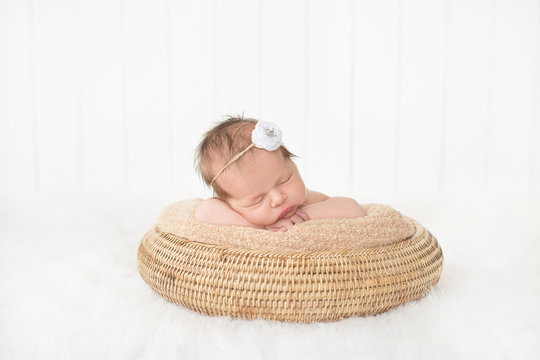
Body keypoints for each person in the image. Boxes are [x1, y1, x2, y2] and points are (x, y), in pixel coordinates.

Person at [194, 116, 367, 232]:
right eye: (258, 199)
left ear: (292, 163)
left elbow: (354, 209)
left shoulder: (307, 202)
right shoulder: (231, 212)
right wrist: (258, 227)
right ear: (228, 202)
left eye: (285, 180)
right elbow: (204, 212)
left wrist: (306, 216)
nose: (278, 198)